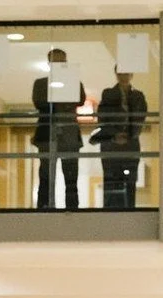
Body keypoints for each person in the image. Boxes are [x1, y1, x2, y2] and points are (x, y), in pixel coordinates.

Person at [31, 48, 86, 210]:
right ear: (49, 64)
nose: (59, 65)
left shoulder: (74, 83)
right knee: (46, 175)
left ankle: (72, 209)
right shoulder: (41, 83)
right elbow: (40, 103)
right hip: (47, 134)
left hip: (69, 134)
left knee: (71, 176)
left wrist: (60, 94)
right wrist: (63, 99)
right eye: (56, 62)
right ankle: (44, 207)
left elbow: (80, 99)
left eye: (62, 62)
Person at [92, 68, 148, 209]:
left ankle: (129, 209)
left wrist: (130, 136)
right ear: (116, 74)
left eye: (126, 72)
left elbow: (140, 118)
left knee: (130, 182)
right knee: (111, 180)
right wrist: (114, 135)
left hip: (130, 146)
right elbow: (102, 118)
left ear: (131, 74)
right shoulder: (108, 94)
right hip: (111, 147)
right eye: (121, 73)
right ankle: (110, 210)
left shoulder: (138, 96)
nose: (124, 76)